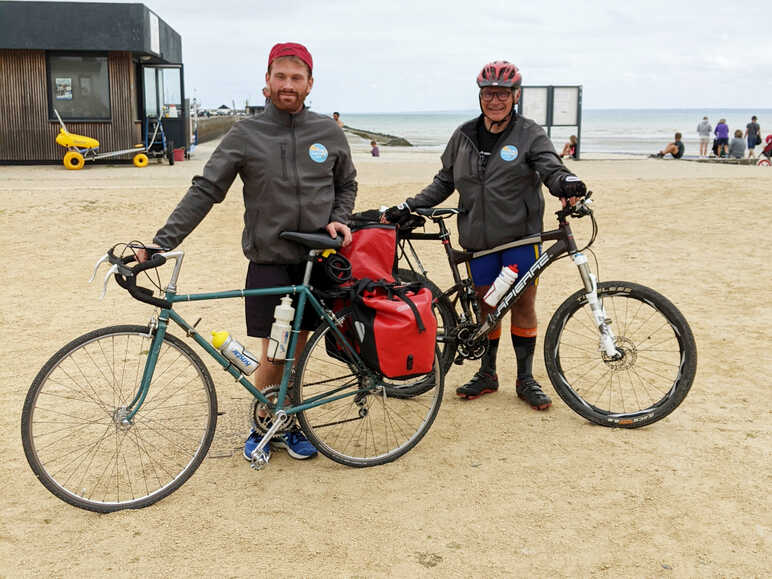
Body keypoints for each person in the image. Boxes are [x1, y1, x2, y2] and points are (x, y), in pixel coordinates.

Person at [137, 42, 358, 462]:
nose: (288, 85)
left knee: (297, 346)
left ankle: (287, 424)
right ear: (267, 81)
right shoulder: (245, 134)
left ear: (310, 84)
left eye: (297, 78)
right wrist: (162, 241)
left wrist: (340, 217)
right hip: (269, 257)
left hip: (316, 259)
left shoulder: (327, 132)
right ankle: (264, 423)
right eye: (280, 76)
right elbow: (206, 190)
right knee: (274, 351)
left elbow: (346, 183)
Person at [383, 60, 586, 410]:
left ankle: (525, 379)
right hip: (477, 239)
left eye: (503, 94)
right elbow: (444, 181)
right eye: (489, 93)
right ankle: (487, 373)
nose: (495, 100)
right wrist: (411, 205)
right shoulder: (463, 135)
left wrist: (565, 183)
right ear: (480, 96)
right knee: (486, 304)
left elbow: (550, 167)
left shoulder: (530, 134)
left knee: (522, 304)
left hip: (520, 238)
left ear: (515, 96)